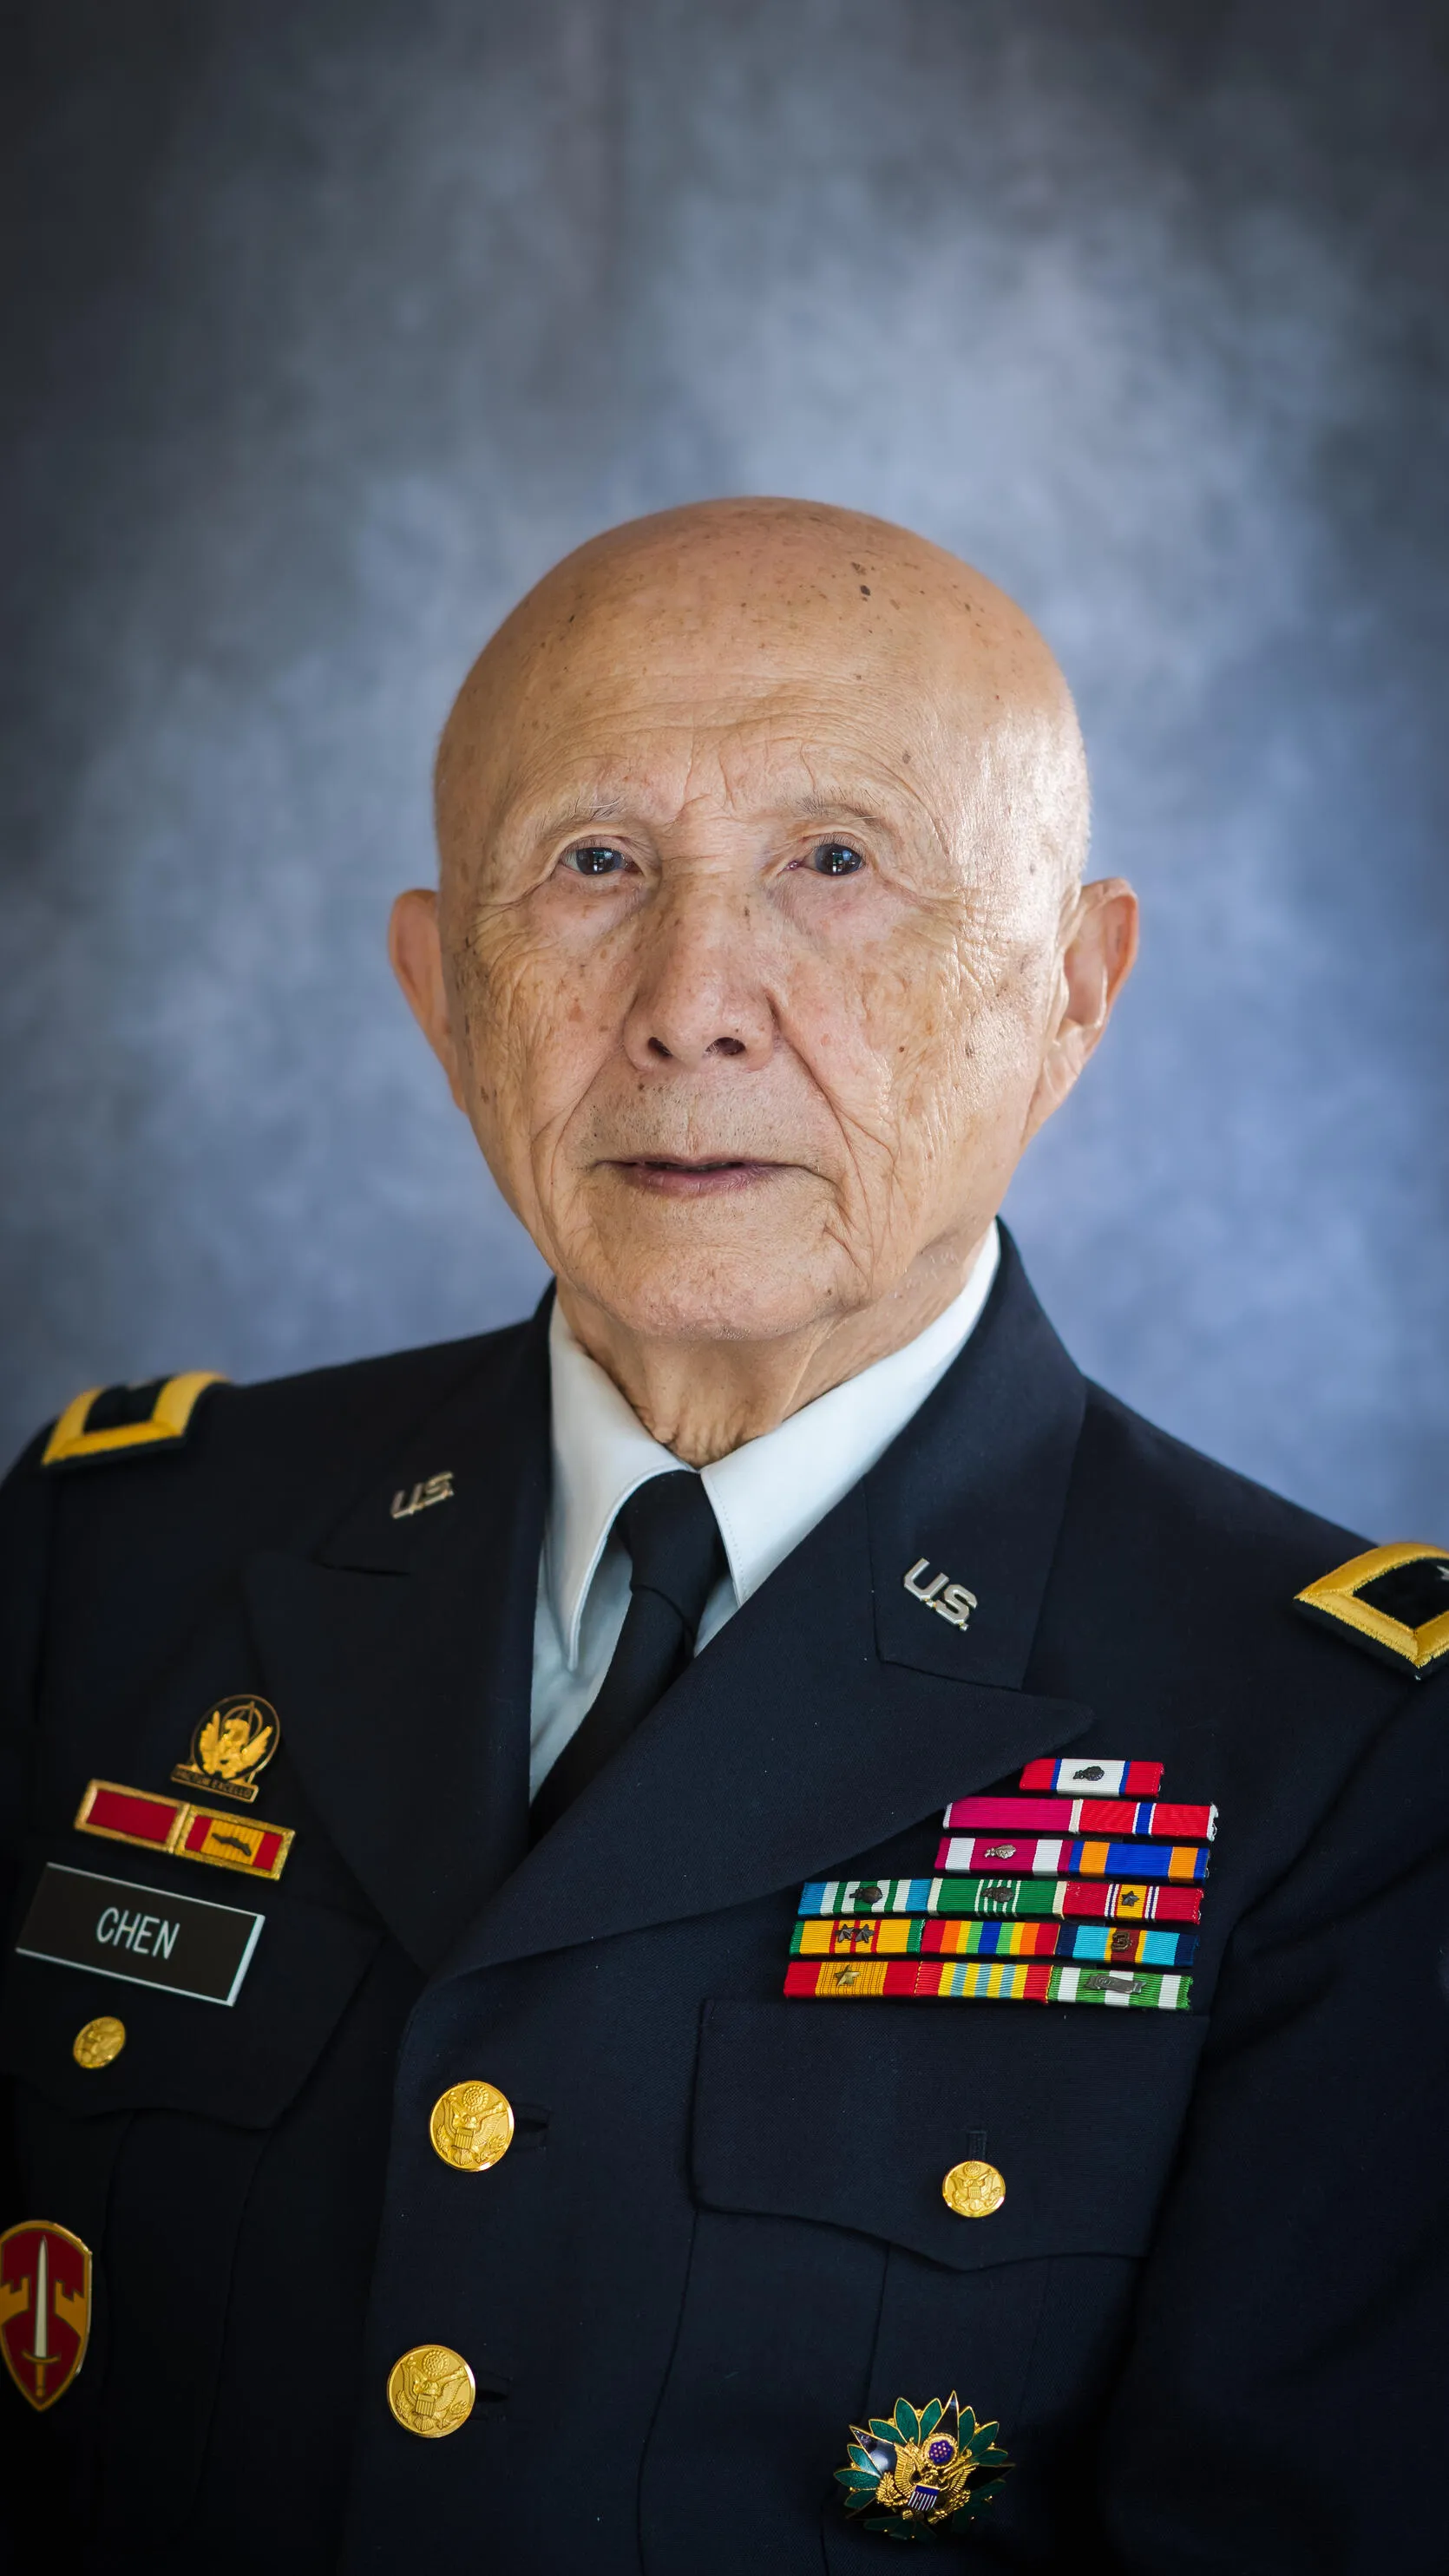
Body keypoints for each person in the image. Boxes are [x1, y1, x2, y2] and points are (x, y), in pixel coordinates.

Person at [1, 498, 1445, 2574]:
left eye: (834, 863)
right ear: (440, 988)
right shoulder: (113, 1557)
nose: (691, 1002)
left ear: (1071, 985)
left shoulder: (1342, 1755)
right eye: (592, 865)